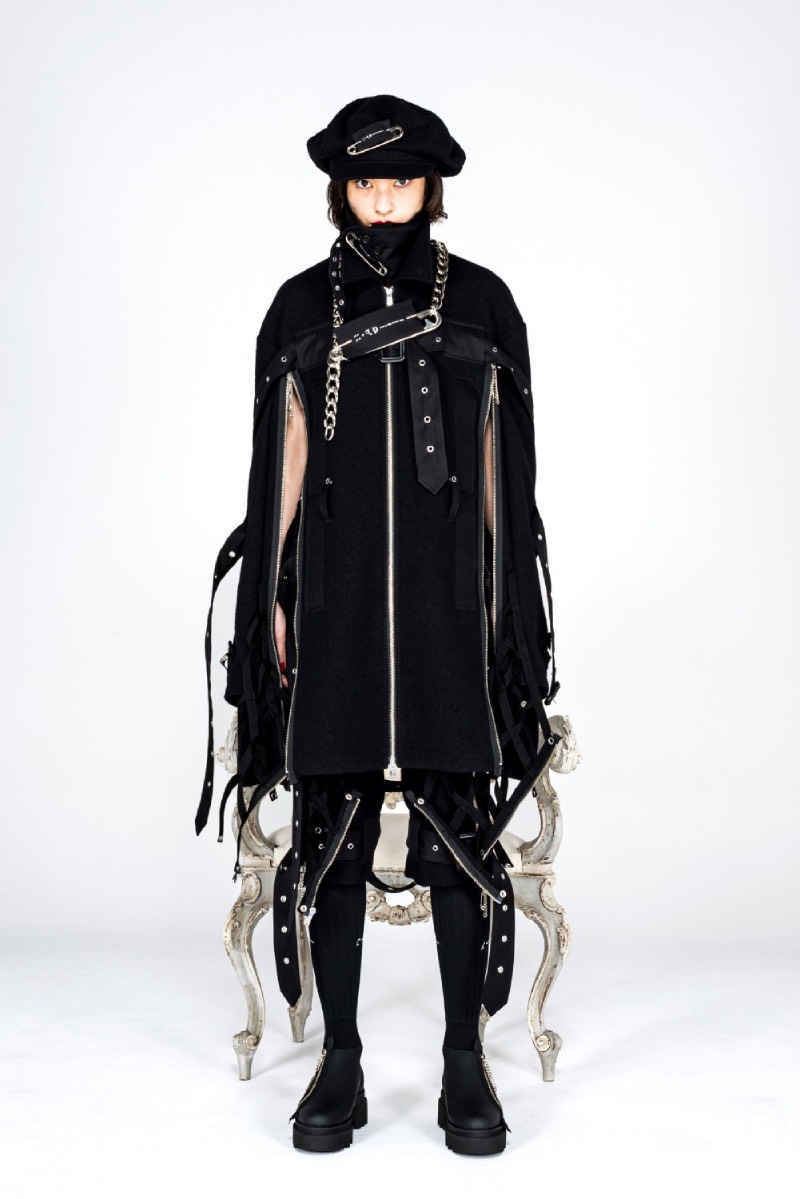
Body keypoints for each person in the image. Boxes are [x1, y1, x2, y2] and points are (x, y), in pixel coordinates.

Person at [196, 94, 561, 1155]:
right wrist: (270, 598)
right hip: (336, 599)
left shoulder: (481, 301)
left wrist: (506, 614)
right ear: (342, 190)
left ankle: (463, 1060)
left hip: (450, 605)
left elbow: (508, 472)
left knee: (458, 835)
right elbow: (277, 466)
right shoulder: (297, 307)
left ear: (429, 187)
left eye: (402, 181)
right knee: (334, 840)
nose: (386, 198)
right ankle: (341, 1059)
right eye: (367, 181)